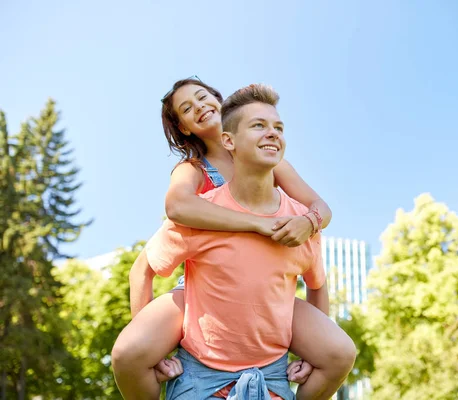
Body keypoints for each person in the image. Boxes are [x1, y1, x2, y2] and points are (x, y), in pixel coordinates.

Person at [111, 80, 356, 400]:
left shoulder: (268, 156)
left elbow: (320, 209)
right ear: (183, 128)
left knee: (337, 349)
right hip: (206, 284)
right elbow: (177, 207)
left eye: (203, 97)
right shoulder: (193, 169)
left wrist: (307, 223)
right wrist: (256, 225)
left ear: (221, 102)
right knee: (131, 352)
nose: (199, 106)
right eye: (187, 108)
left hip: (270, 286)